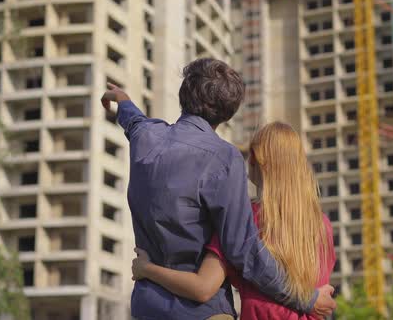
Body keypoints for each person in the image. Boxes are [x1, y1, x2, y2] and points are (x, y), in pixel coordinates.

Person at [100, 58, 336, 320]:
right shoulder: (224, 158)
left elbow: (133, 122)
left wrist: (122, 100)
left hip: (148, 307)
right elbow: (243, 248)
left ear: (184, 93)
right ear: (228, 111)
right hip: (203, 312)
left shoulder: (145, 137)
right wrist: (306, 298)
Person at [131, 122, 336, 320]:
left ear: (256, 160)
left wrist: (147, 269)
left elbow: (202, 288)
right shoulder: (321, 225)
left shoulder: (245, 219)